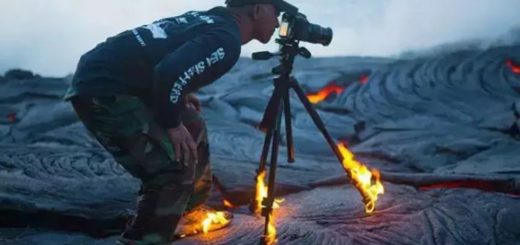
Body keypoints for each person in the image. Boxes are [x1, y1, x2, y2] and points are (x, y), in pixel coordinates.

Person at [64, 0, 295, 244]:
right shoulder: (226, 38)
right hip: (103, 90)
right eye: (276, 11)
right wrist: (172, 123)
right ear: (257, 10)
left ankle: (189, 214)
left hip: (115, 77)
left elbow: (164, 57)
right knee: (171, 169)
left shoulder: (210, 19)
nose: (278, 21)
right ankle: (144, 239)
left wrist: (179, 95)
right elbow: (167, 73)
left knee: (191, 122)